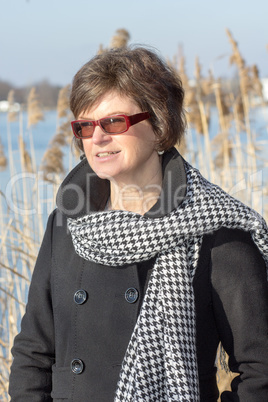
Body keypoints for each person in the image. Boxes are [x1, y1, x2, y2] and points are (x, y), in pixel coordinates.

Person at [9, 46, 268, 402]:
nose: (97, 138)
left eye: (114, 122)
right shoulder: (66, 226)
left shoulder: (217, 231)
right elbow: (33, 353)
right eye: (85, 126)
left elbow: (260, 370)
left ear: (159, 125)